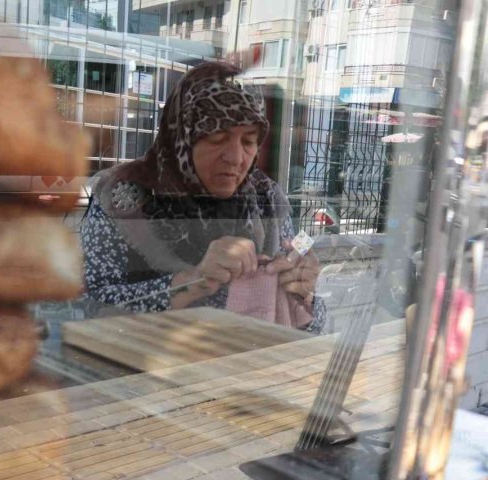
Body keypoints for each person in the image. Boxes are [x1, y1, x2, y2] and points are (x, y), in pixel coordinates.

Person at [81, 60, 326, 332]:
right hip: (146, 365)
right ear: (182, 135)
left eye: (248, 141)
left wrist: (304, 292)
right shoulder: (123, 195)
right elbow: (90, 308)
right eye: (217, 137)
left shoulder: (265, 198)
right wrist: (192, 282)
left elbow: (310, 327)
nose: (235, 158)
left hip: (245, 364)